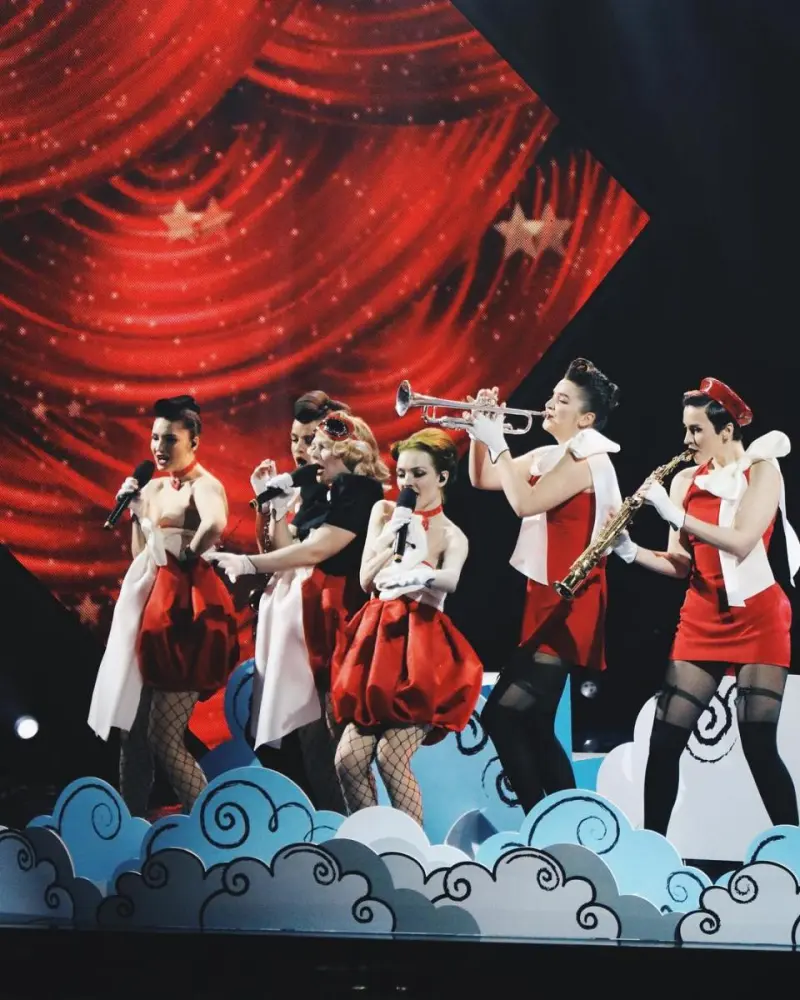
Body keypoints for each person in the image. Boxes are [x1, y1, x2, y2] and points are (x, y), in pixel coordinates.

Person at [609, 377, 800, 835]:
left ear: (727, 430)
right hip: (701, 618)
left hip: (758, 617)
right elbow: (680, 563)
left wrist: (676, 515)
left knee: (758, 745)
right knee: (664, 742)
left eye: (696, 430)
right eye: (686, 429)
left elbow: (742, 540)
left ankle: (792, 853)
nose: (687, 439)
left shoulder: (763, 470)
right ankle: (652, 849)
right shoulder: (684, 481)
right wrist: (630, 551)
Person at [208, 412, 389, 811]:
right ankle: (331, 823)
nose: (310, 455)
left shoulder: (359, 489)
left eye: (320, 447)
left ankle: (361, 823)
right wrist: (273, 508)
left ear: (346, 451)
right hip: (308, 616)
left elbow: (316, 550)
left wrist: (249, 564)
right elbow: (288, 547)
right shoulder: (325, 490)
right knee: (311, 738)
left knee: (334, 733)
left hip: (338, 615)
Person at [466, 358, 622, 814]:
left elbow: (525, 502)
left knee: (502, 716)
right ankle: (563, 818)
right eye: (552, 395)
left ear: (586, 419)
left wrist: (497, 442)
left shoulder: (587, 459)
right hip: (546, 599)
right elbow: (483, 478)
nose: (550, 404)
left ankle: (541, 816)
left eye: (563, 400)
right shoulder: (550, 456)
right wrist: (479, 432)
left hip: (570, 603)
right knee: (533, 723)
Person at [88, 396, 240, 817]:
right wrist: (137, 515)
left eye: (170, 439)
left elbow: (215, 524)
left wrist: (187, 555)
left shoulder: (204, 485)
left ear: (194, 441)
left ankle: (213, 825)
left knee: (164, 737)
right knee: (133, 735)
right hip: (147, 608)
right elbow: (141, 554)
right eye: (155, 437)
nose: (159, 446)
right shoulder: (153, 487)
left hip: (184, 613)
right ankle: (130, 823)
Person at [330, 428, 483, 824]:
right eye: (401, 474)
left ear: (442, 477)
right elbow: (366, 579)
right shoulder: (384, 513)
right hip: (377, 640)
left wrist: (419, 575)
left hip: (420, 648)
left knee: (390, 757)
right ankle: (372, 839)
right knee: (348, 760)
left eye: (418, 473)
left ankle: (411, 849)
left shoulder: (451, 533)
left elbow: (452, 580)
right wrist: (393, 539)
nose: (407, 482)